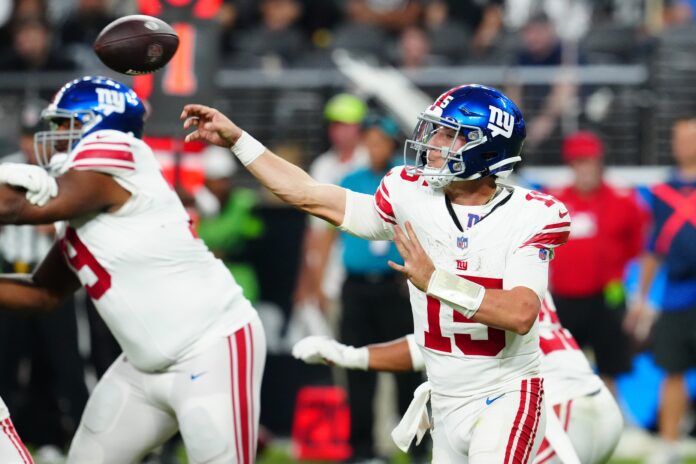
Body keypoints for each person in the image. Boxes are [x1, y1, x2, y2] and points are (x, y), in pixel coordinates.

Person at [181, 83, 570, 461]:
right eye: (435, 132)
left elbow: (520, 313)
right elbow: (309, 193)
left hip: (505, 394)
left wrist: (436, 282)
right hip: (446, 400)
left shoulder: (531, 215)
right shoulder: (410, 194)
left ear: (486, 147)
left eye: (449, 135)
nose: (432, 144)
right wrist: (238, 141)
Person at [0, 76, 266, 464]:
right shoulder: (82, 195)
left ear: (98, 125)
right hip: (143, 366)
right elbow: (43, 292)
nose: (54, 136)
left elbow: (16, 208)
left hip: (212, 348)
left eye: (64, 124)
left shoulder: (117, 158)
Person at [293, 291, 624, 464]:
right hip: (582, 405)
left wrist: (350, 356)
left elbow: (431, 347)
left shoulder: (475, 263)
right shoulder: (508, 252)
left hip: (558, 412)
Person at [337, 115, 425, 463]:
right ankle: (361, 449)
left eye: (381, 141)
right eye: (369, 140)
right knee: (357, 368)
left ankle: (418, 447)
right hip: (356, 288)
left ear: (391, 144)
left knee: (408, 367)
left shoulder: (405, 182)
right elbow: (325, 234)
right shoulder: (350, 180)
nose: (375, 147)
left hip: (397, 287)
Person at [546, 131, 645, 393]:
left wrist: (639, 300)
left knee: (610, 368)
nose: (585, 168)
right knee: (562, 370)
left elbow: (641, 250)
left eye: (589, 161)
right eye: (578, 162)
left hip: (608, 295)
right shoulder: (554, 200)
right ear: (570, 165)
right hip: (564, 298)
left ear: (600, 163)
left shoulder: (623, 200)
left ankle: (610, 425)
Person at [625, 115, 696, 463]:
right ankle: (669, 445)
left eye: (690, 138)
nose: (683, 145)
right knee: (673, 370)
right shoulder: (663, 192)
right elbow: (653, 249)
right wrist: (641, 297)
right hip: (676, 296)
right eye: (678, 138)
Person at [294, 93, 368, 312]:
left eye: (347, 125)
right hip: (331, 278)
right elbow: (314, 232)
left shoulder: (371, 162)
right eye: (335, 125)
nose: (340, 132)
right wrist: (309, 283)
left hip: (364, 272)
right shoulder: (322, 166)